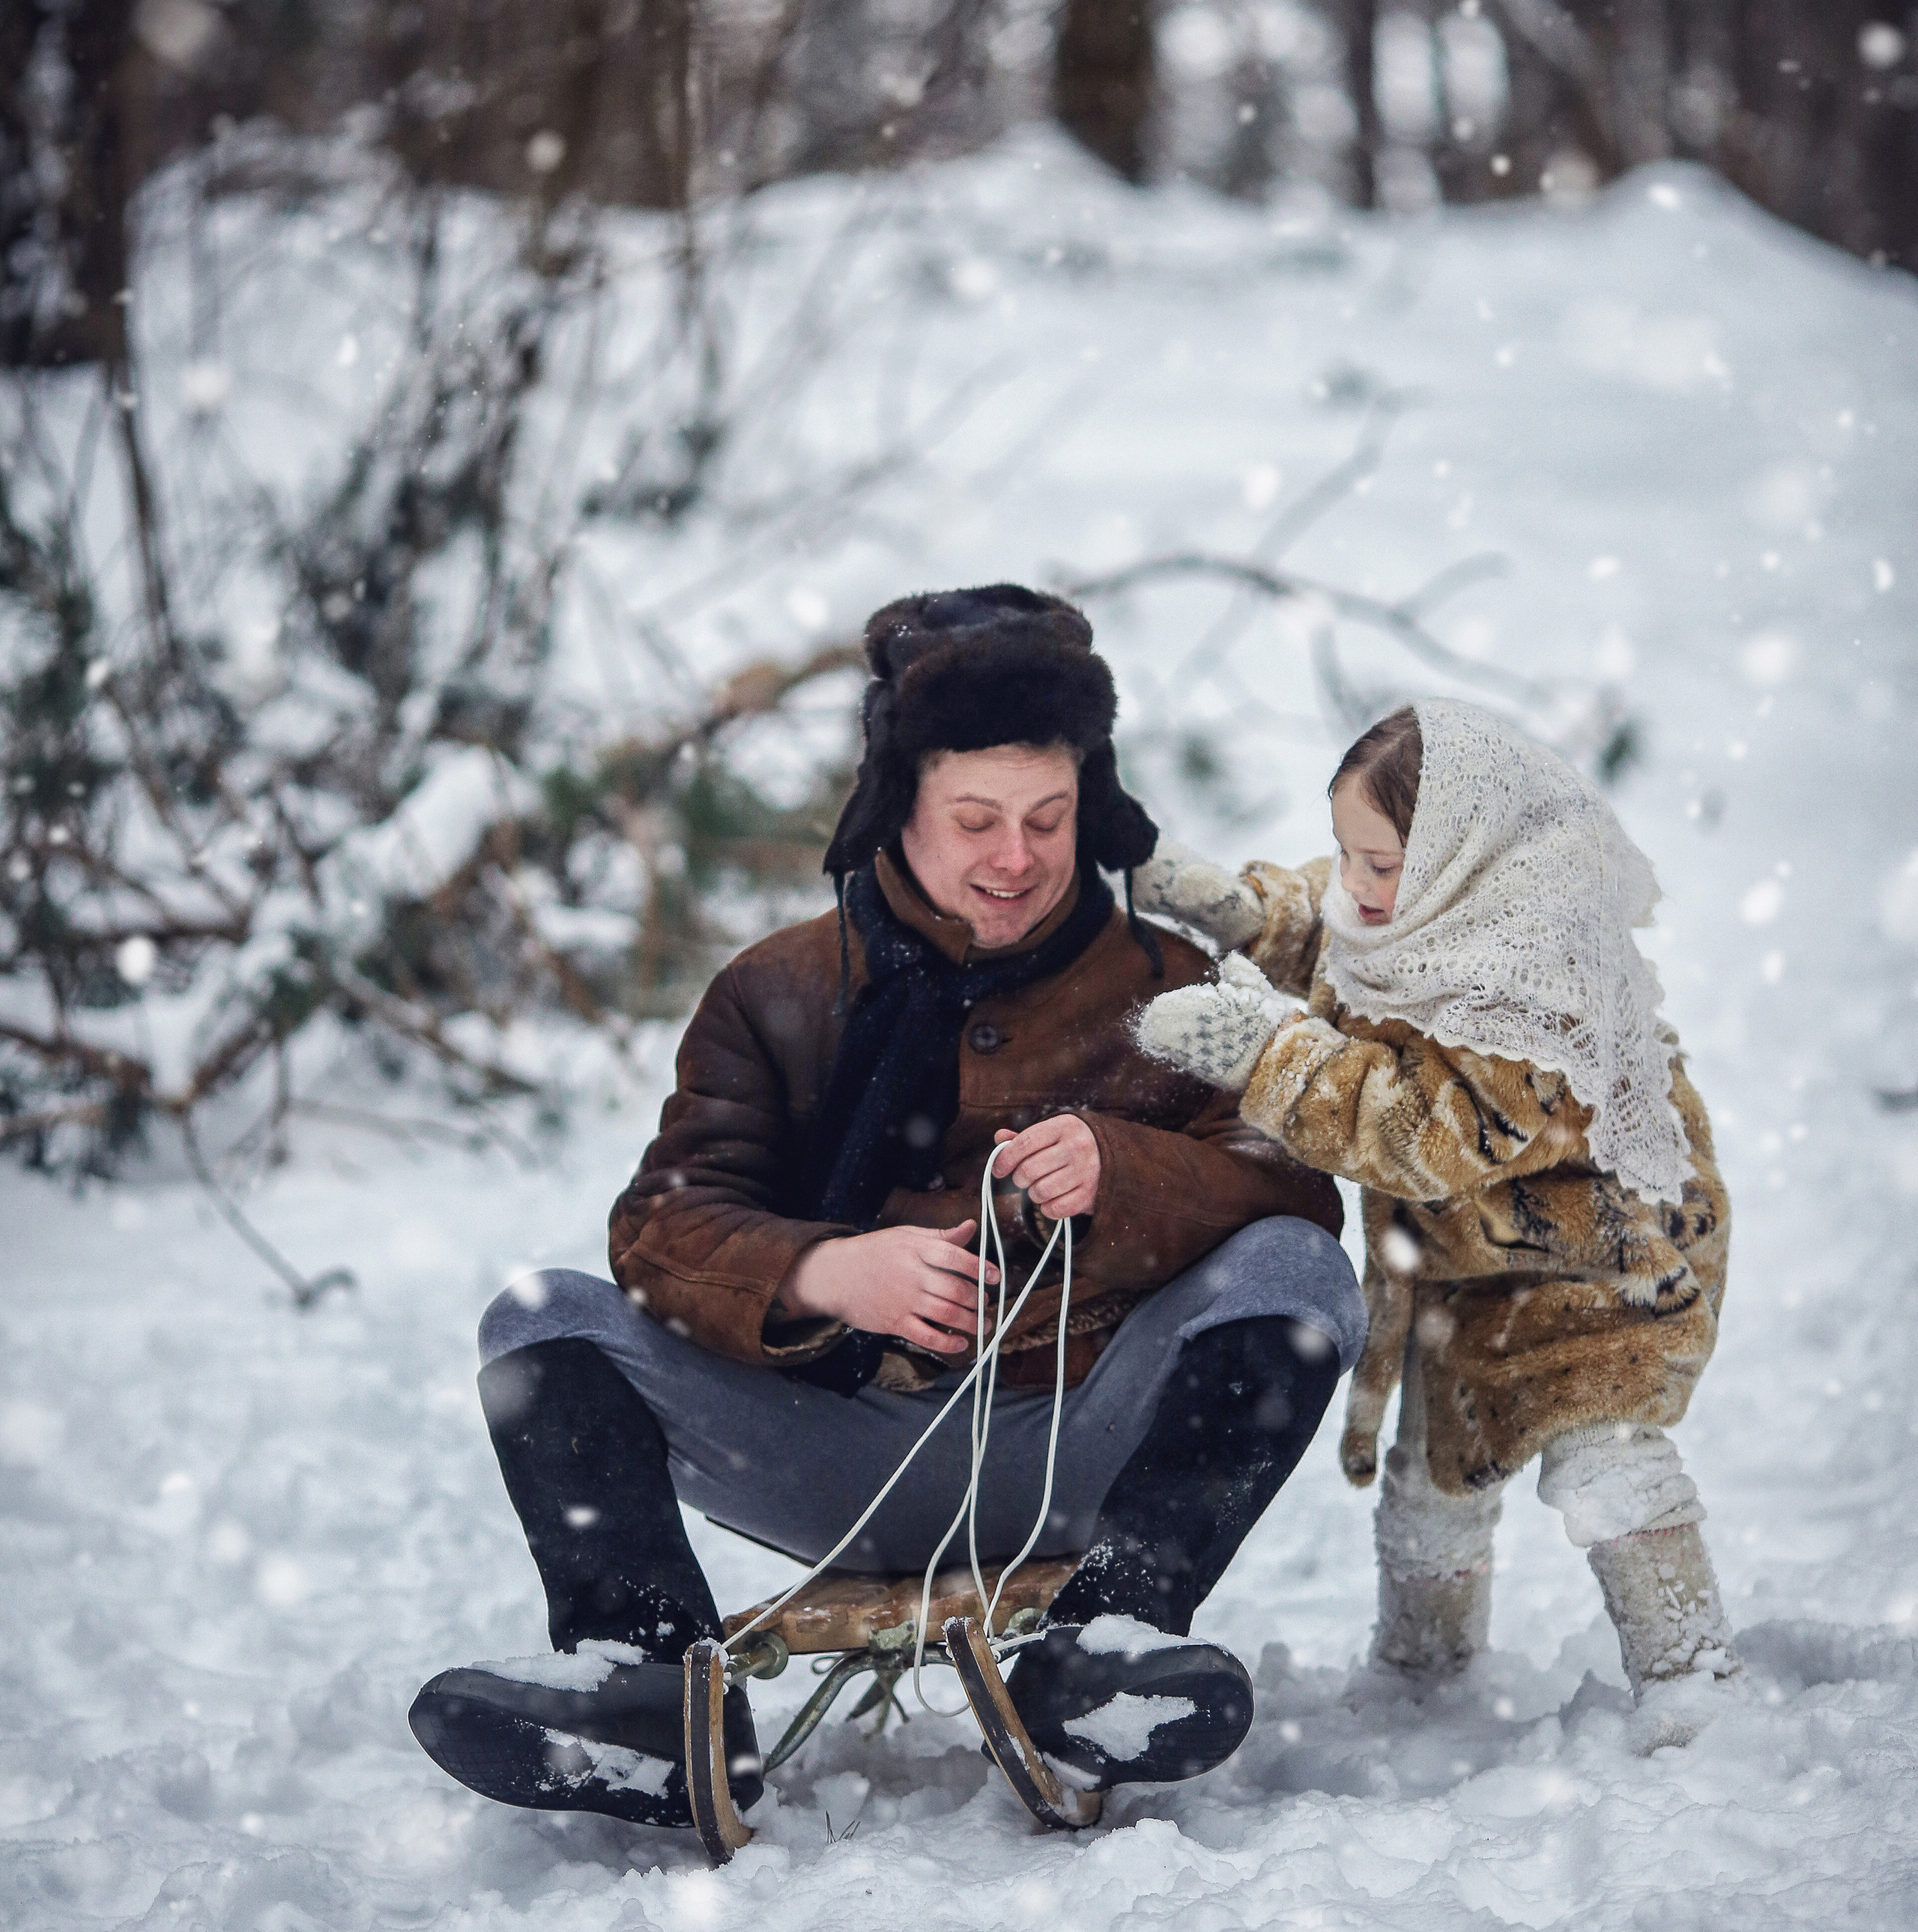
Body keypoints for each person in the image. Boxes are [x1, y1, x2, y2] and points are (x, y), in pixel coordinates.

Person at [411, 587, 1366, 1834]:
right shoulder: (777, 989)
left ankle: (1106, 1652)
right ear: (898, 806)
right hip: (827, 1446)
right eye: (975, 820)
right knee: (539, 1322)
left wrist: (1128, 1171)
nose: (1015, 858)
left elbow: (1294, 1185)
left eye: (1048, 818)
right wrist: (825, 1274)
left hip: (1076, 1438)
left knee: (1297, 1272)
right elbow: (662, 1224)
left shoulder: (1171, 986)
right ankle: (645, 1690)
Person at [1134, 698, 1738, 1745]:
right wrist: (1238, 910)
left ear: (1468, 863)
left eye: (1385, 863)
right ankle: (1427, 1676)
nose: (1359, 888)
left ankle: (1690, 1673)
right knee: (1432, 1475)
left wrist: (1266, 1055)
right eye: (1346, 853)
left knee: (1604, 1464)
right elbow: (1325, 924)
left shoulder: (1533, 991)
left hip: (1604, 1259)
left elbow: (1424, 1134)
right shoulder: (1397, 913)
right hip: (1464, 1268)